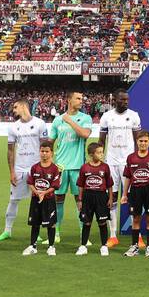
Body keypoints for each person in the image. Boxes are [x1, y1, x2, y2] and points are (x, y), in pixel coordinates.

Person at [0, 99, 46, 240]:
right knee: (13, 200)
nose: (13, 110)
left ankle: (36, 233)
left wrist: (45, 168)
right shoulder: (13, 127)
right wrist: (12, 171)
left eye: (15, 107)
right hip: (19, 169)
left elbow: (45, 147)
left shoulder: (40, 124)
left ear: (24, 106)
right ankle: (7, 231)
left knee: (37, 200)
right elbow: (10, 151)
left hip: (36, 168)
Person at [99, 89, 141, 248]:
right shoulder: (106, 117)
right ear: (114, 100)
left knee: (132, 197)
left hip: (129, 163)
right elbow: (102, 141)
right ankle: (113, 235)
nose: (126, 102)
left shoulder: (134, 115)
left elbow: (138, 140)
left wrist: (138, 160)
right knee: (112, 197)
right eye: (122, 100)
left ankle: (138, 236)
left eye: (127, 100)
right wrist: (101, 160)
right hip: (111, 162)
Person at [52, 91, 95, 243]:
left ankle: (84, 234)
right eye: (78, 98)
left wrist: (69, 121)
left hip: (78, 167)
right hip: (61, 167)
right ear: (69, 100)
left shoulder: (85, 118)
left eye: (82, 98)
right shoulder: (57, 120)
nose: (81, 100)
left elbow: (84, 134)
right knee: (58, 199)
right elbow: (50, 142)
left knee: (80, 200)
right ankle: (56, 233)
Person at [121, 130, 149, 257]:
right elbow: (128, 177)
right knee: (136, 218)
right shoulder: (131, 157)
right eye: (140, 141)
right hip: (135, 191)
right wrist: (124, 194)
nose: (143, 143)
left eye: (145, 141)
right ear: (137, 142)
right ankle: (134, 246)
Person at [75, 140, 114, 256]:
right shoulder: (84, 168)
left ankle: (104, 246)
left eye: (102, 152)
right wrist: (80, 200)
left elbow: (109, 185)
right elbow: (81, 185)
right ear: (91, 154)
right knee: (86, 222)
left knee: (102, 222)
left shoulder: (105, 167)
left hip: (101, 197)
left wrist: (110, 198)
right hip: (87, 197)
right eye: (99, 153)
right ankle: (83, 245)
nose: (101, 155)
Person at [23, 139, 61, 256]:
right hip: (36, 199)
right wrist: (37, 192)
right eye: (42, 151)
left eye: (47, 151)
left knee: (51, 223)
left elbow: (55, 185)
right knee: (35, 222)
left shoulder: (55, 169)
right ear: (39, 152)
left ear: (52, 153)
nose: (44, 153)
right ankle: (32, 246)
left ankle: (51, 246)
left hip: (49, 200)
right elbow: (30, 182)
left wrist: (44, 193)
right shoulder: (34, 167)